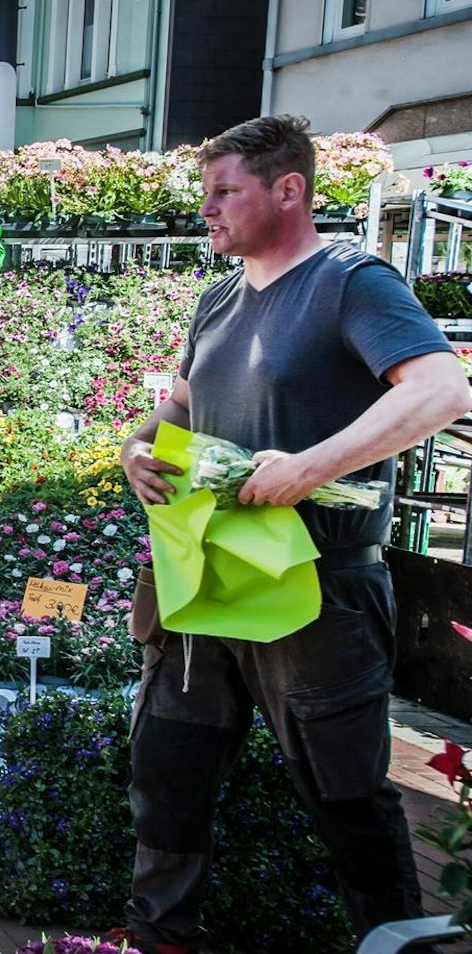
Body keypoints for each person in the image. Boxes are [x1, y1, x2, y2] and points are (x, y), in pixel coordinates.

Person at [115, 116, 472, 954]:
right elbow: (180, 407)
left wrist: (310, 467)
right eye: (205, 193)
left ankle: (398, 943)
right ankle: (160, 939)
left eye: (223, 192)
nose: (207, 209)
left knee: (345, 794)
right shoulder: (218, 299)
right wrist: (136, 448)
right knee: (167, 772)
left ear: (289, 190)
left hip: (318, 589)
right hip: (204, 581)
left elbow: (442, 390)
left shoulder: (350, 282)